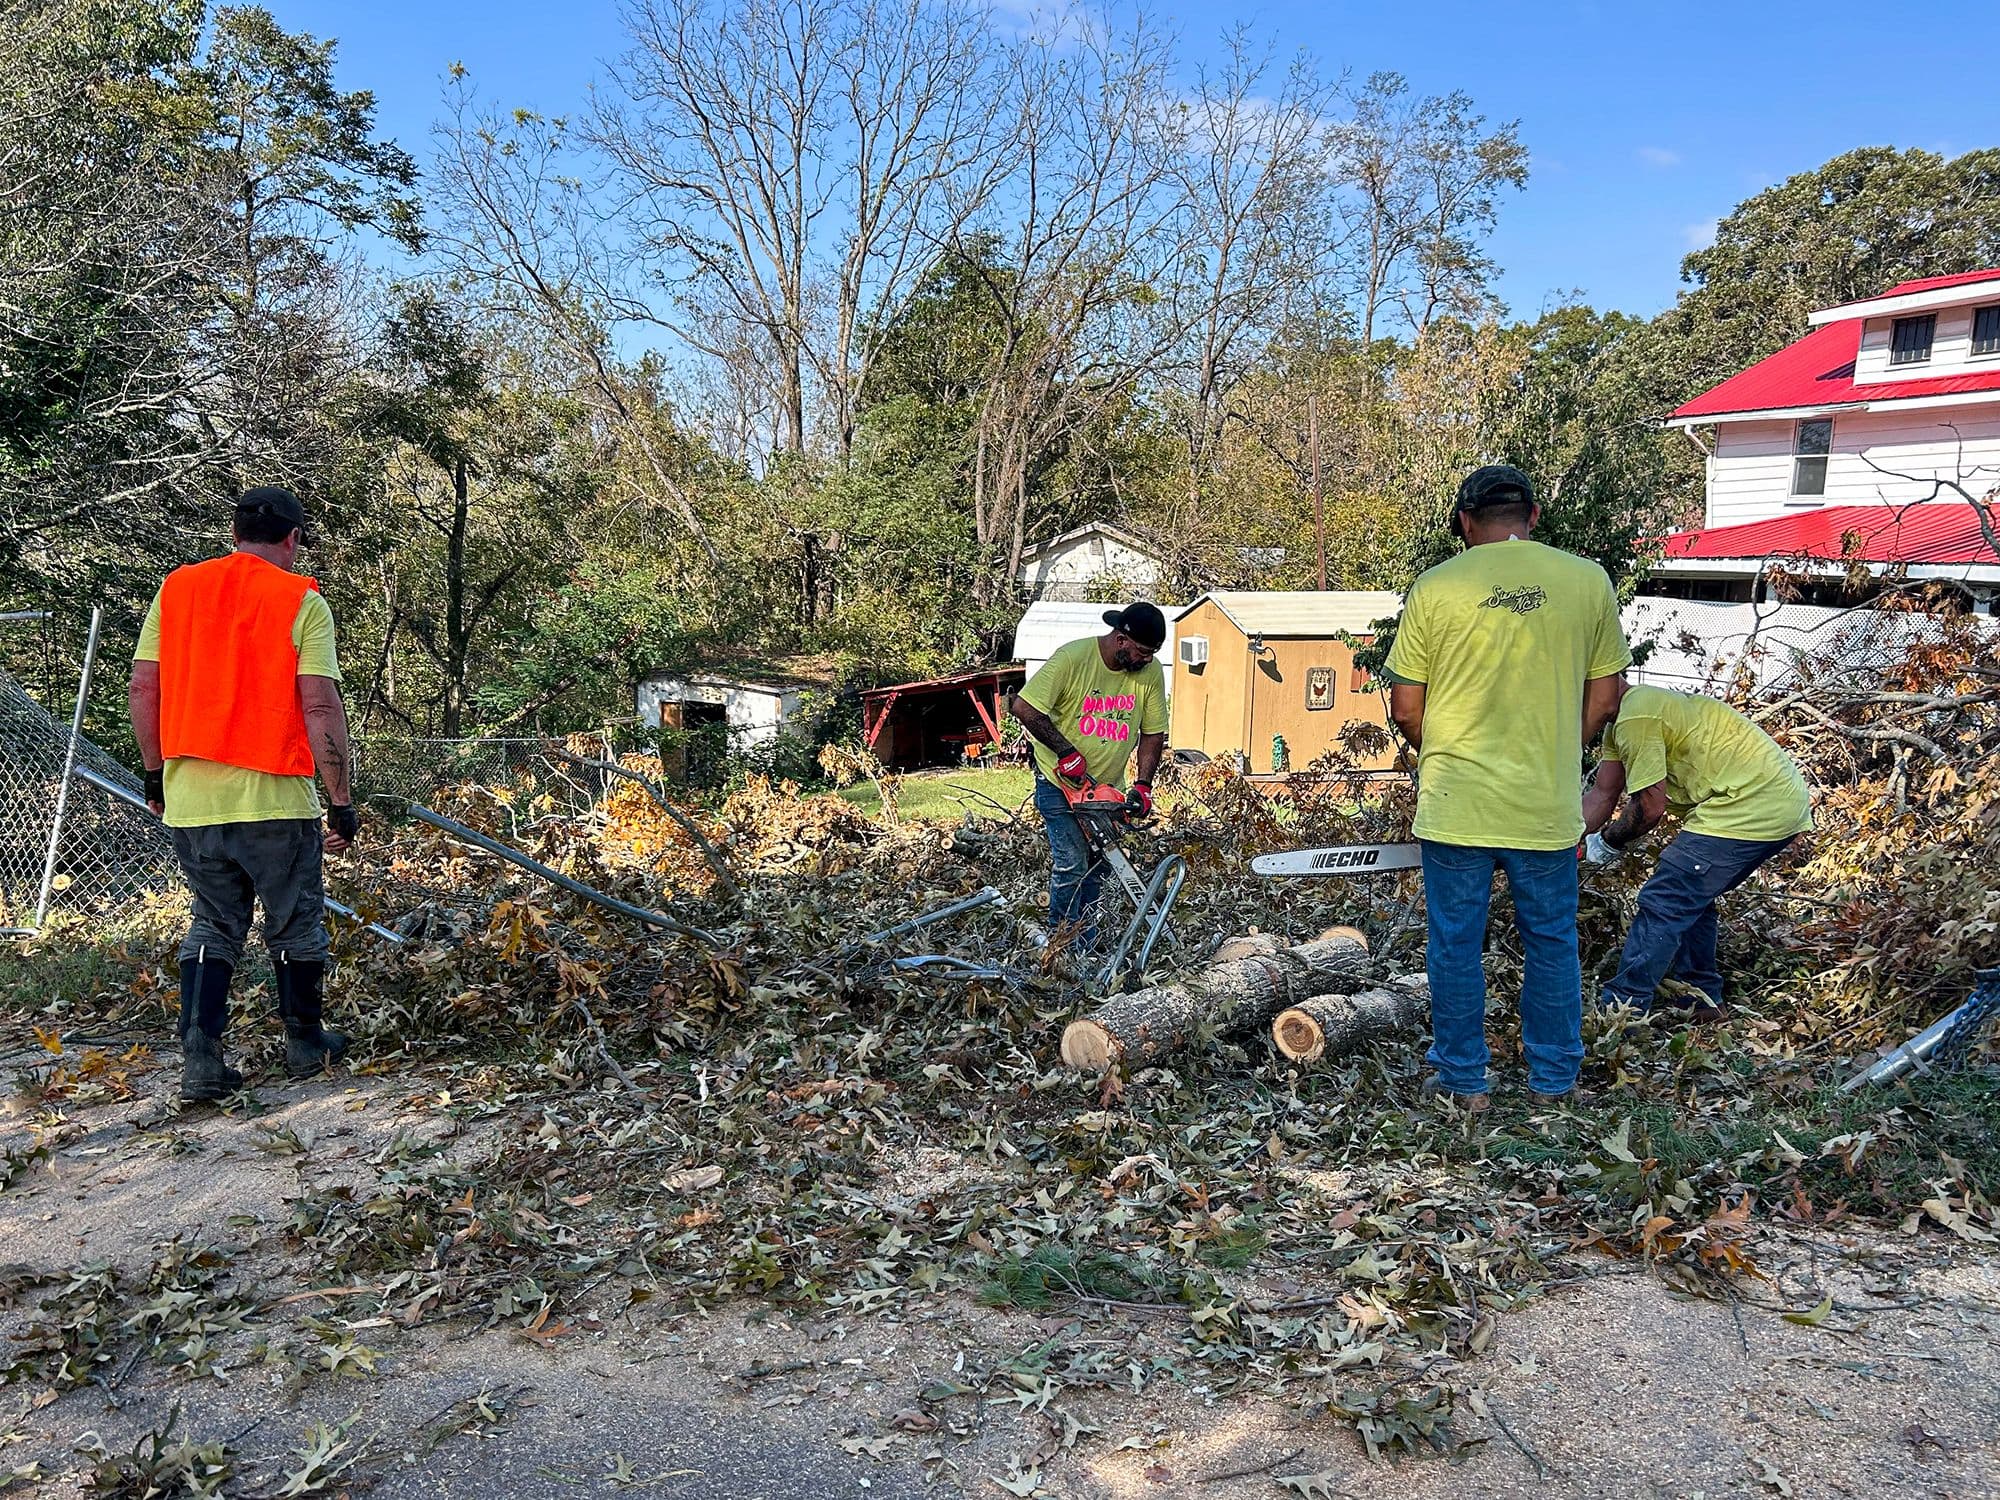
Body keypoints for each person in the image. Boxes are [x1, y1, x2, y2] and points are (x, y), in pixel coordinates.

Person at [1385, 466, 1631, 1110]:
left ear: (1465, 522)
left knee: (1455, 945)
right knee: (1551, 943)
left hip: (1456, 804)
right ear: (1534, 516)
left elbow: (1407, 709)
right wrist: (1554, 749)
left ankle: (1466, 1082)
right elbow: (1606, 699)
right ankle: (1553, 1081)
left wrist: (1440, 753)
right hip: (1544, 806)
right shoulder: (1587, 582)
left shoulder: (1435, 587)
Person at [127, 486, 361, 1102]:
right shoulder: (300, 600)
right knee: (294, 922)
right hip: (276, 800)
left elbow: (143, 691)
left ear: (235, 533)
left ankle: (200, 1058)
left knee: (212, 924)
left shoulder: (177, 591)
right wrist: (340, 798)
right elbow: (318, 703)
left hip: (191, 801)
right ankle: (306, 1043)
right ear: (291, 538)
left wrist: (156, 775)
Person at [1581, 676, 1812, 1021]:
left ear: (1601, 684)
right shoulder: (1626, 720)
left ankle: (1621, 1013)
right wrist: (1565, 839)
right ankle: (1701, 998)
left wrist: (1607, 844)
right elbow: (1602, 794)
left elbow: (1650, 808)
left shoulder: (1636, 716)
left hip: (1750, 804)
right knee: (1691, 898)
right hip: (1769, 802)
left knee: (1666, 899)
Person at [1008, 603, 1169, 949]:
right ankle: (1059, 942)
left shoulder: (1150, 672)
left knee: (1099, 866)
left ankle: (1087, 941)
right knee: (1072, 864)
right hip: (1059, 783)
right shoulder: (1073, 658)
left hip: (1107, 788)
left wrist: (1143, 784)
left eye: (1152, 653)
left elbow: (1153, 733)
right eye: (1142, 652)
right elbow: (1023, 707)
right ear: (1121, 639)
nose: (1146, 660)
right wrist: (1066, 752)